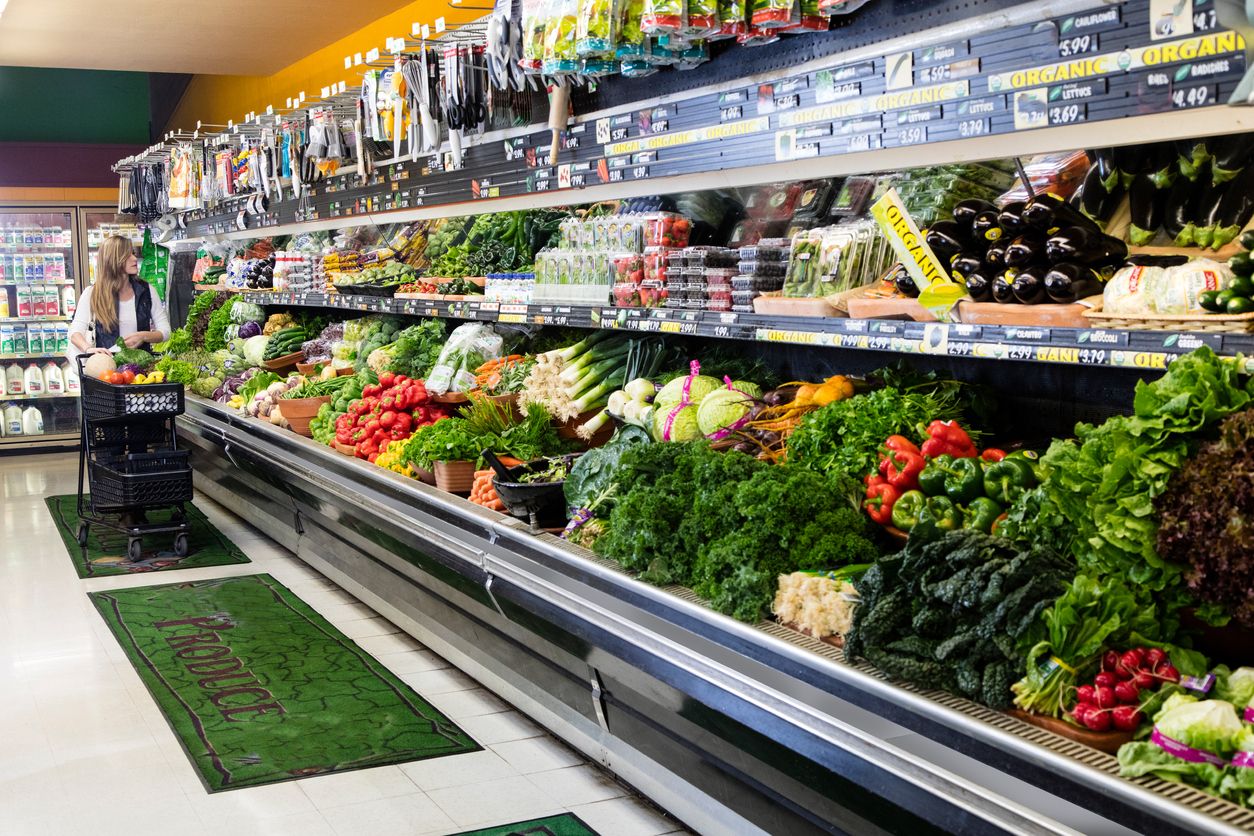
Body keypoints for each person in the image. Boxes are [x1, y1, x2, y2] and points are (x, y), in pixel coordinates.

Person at [69, 235, 170, 361]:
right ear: (113, 260)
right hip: (105, 369)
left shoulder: (147, 291)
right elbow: (75, 332)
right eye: (128, 255)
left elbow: (165, 331)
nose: (134, 259)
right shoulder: (92, 294)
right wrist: (88, 349)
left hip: (139, 371)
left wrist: (144, 336)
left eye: (133, 253)